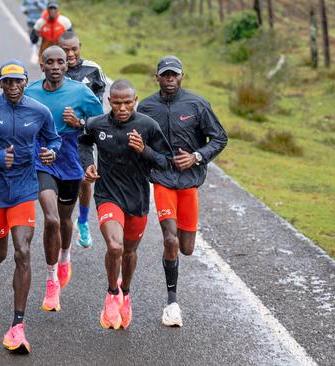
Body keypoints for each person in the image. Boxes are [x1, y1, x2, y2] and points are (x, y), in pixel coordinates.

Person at [0, 60, 61, 353]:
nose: (14, 87)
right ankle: (3, 255)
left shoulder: (39, 111)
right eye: (8, 82)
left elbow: (53, 140)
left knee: (23, 252)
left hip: (23, 188)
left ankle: (18, 325)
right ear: (1, 84)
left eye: (19, 81)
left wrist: (50, 152)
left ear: (25, 82)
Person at [138, 55, 228, 327]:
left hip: (189, 183)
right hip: (163, 180)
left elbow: (220, 138)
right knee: (170, 240)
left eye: (173, 74)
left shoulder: (197, 104)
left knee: (186, 248)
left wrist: (197, 157)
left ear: (181, 76)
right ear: (157, 77)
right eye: (164, 74)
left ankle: (174, 266)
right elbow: (138, 143)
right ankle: (172, 303)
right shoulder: (146, 107)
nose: (169, 79)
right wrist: (153, 159)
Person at [79, 79, 172, 330]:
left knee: (129, 252)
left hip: (138, 199)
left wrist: (144, 151)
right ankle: (111, 294)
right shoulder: (97, 125)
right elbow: (83, 142)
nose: (122, 107)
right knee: (115, 246)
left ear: (136, 101)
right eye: (117, 102)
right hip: (107, 195)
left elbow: (165, 161)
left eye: (127, 102)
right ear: (109, 102)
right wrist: (88, 164)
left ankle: (125, 292)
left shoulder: (148, 126)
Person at [24, 46, 103, 312]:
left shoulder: (80, 92)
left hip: (70, 158)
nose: (55, 66)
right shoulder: (30, 91)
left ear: (66, 66)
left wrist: (80, 122)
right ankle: (51, 279)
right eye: (50, 62)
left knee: (65, 220)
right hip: (43, 158)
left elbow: (101, 119)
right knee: (51, 218)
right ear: (42, 65)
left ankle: (65, 256)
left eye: (60, 62)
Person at [59, 30, 108, 249]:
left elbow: (98, 111)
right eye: (65, 49)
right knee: (64, 183)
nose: (69, 54)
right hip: (60, 137)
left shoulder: (93, 70)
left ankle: (84, 220)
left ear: (80, 46)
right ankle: (64, 222)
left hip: (83, 136)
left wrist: (80, 122)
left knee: (86, 179)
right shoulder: (54, 68)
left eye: (73, 49)